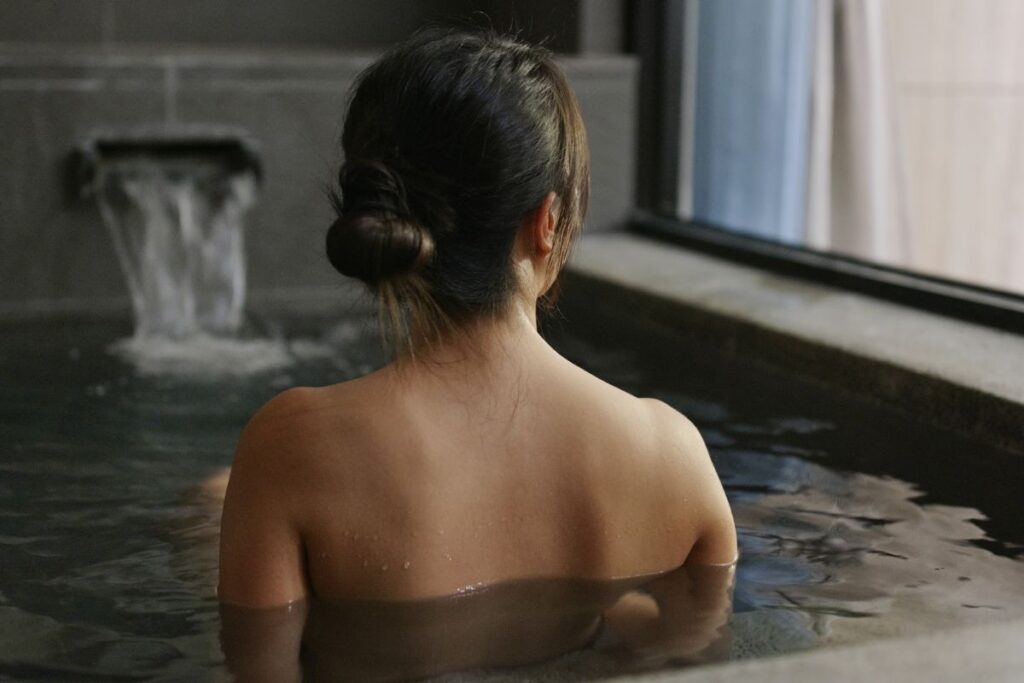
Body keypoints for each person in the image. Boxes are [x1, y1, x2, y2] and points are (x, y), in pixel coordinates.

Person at [217, 29, 736, 677]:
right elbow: (693, 657)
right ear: (546, 222)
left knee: (209, 503)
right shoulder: (672, 454)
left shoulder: (290, 448)